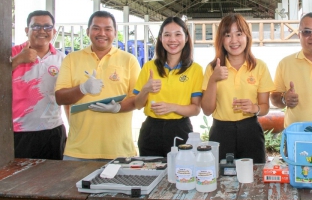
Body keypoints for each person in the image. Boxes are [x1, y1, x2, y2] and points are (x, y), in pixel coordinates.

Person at [55, 11, 141, 160]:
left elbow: (138, 100)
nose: (102, 33)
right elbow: (60, 98)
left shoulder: (129, 60)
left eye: (108, 29)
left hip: (119, 150)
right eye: (96, 28)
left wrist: (118, 107)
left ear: (115, 33)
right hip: (78, 151)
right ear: (88, 31)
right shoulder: (71, 59)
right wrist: (83, 88)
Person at [202, 14, 275, 164]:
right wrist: (213, 80)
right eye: (227, 35)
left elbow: (265, 107)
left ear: (247, 36)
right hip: (220, 131)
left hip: (251, 130)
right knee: (220, 178)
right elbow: (207, 110)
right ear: (221, 40)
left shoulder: (259, 66)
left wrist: (255, 108)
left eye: (239, 34)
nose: (234, 40)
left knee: (254, 178)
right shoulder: (212, 68)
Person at [134, 17, 203, 157]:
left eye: (178, 34)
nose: (172, 40)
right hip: (151, 130)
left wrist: (172, 107)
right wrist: (145, 90)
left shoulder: (195, 69)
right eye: (167, 35)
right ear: (160, 38)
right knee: (150, 172)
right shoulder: (149, 67)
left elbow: (196, 109)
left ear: (186, 37)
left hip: (180, 129)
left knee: (182, 174)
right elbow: (137, 104)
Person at [11, 10, 67, 160]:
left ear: (54, 31)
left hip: (52, 131)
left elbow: (66, 96)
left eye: (47, 27)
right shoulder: (10, 54)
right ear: (26, 30)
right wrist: (17, 60)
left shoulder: (62, 59)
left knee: (52, 179)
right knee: (18, 180)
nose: (42, 31)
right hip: (18, 132)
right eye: (36, 26)